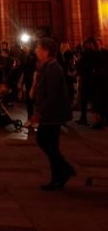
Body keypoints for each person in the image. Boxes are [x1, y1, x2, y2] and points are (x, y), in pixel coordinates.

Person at [32, 37, 76, 191]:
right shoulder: (48, 66)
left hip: (52, 114)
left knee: (45, 141)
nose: (35, 50)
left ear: (46, 51)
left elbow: (52, 95)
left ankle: (63, 172)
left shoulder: (53, 68)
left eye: (38, 48)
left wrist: (40, 112)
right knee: (49, 144)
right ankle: (60, 175)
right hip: (51, 112)